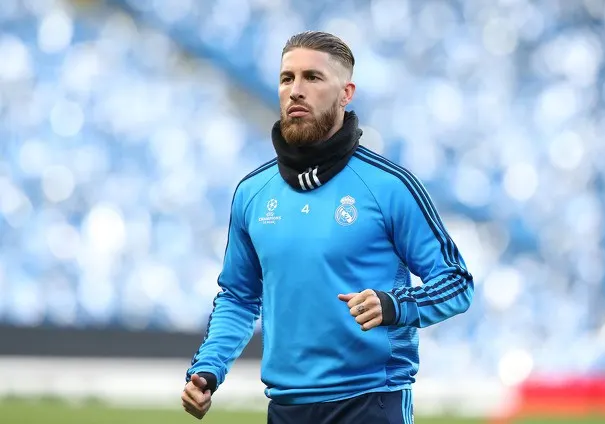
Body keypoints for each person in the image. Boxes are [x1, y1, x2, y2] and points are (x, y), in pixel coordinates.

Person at [181, 30, 474, 424]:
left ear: (346, 93)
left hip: (372, 402)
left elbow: (456, 281)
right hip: (286, 408)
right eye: (287, 78)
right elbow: (238, 296)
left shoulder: (389, 186)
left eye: (312, 78)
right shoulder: (252, 193)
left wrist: (395, 305)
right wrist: (208, 369)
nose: (295, 90)